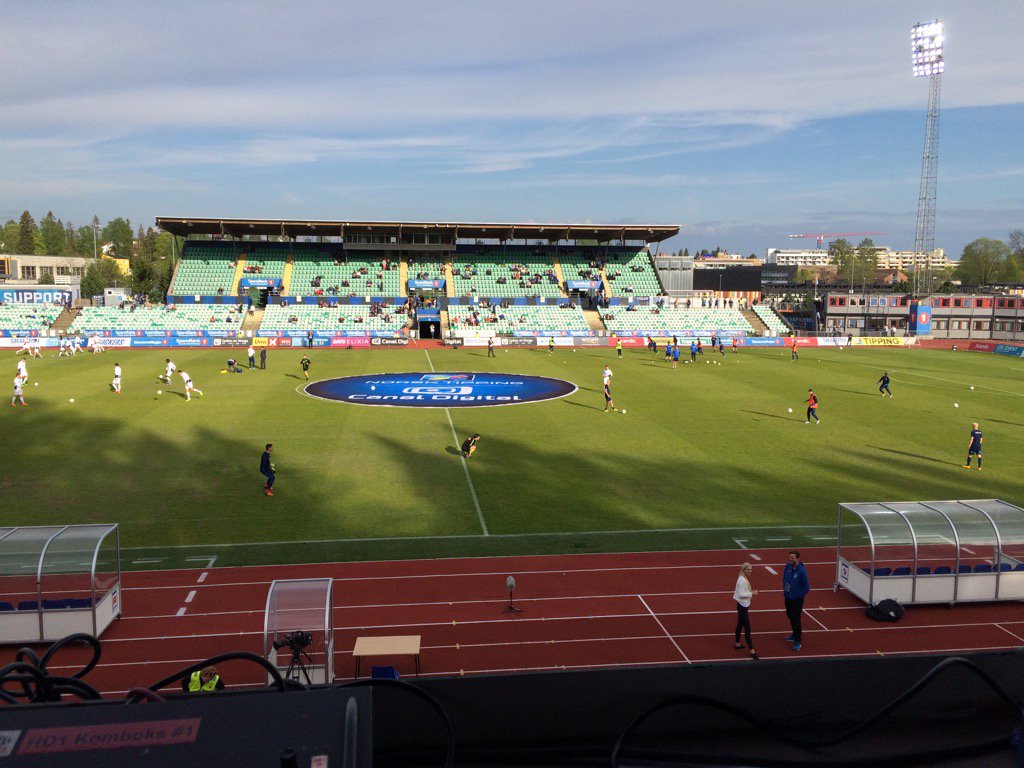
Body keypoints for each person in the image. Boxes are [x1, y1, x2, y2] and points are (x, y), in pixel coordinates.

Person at [782, 551, 810, 651]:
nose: (790, 559)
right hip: (788, 597)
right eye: (789, 557)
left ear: (797, 559)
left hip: (797, 600)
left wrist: (798, 595)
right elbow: (784, 578)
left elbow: (806, 587)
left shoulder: (802, 571)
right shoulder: (788, 567)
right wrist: (785, 591)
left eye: (792, 558)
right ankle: (794, 635)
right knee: (789, 615)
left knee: (796, 619)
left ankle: (798, 641)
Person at [733, 563, 759, 660]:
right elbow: (741, 594)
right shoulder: (742, 580)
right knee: (748, 629)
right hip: (743, 606)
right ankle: (752, 651)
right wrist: (753, 593)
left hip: (743, 605)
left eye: (751, 569)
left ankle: (737, 643)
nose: (750, 571)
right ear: (743, 569)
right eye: (748, 569)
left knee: (740, 624)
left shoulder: (742, 578)